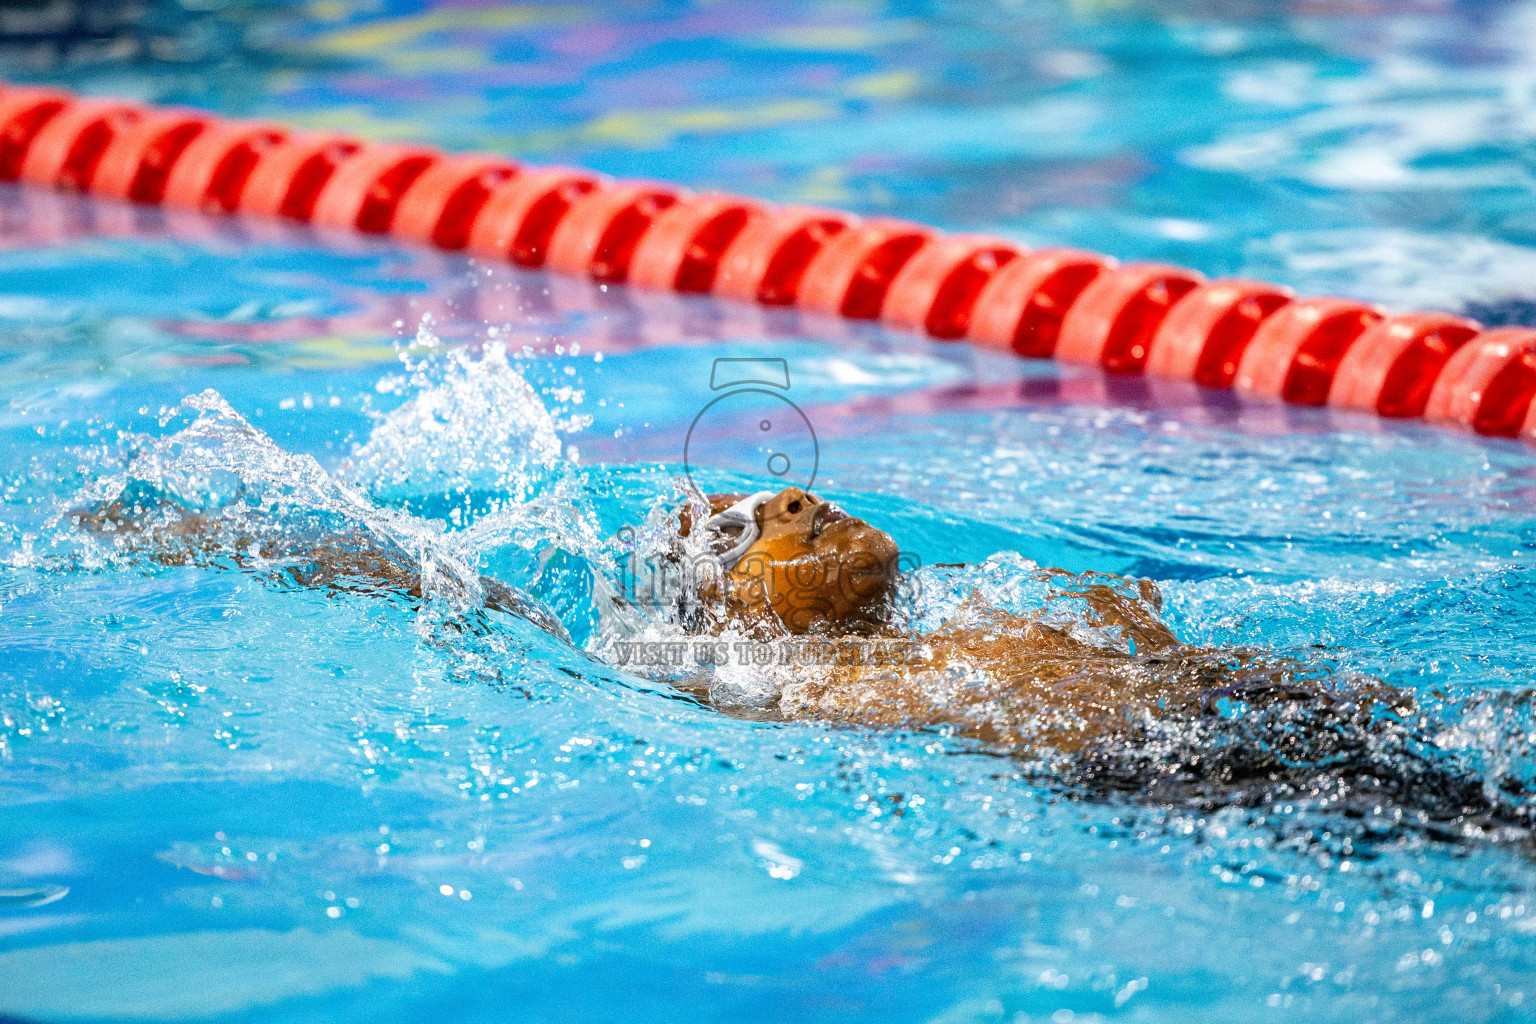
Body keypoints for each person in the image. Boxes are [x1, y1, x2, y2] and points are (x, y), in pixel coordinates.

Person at [73, 483, 1530, 839]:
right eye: (747, 529)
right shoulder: (722, 681)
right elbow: (433, 586)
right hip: (1166, 780)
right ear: (733, 613)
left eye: (780, 491)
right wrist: (219, 526)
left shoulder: (1006, 602)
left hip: (1258, 706)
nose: (789, 501)